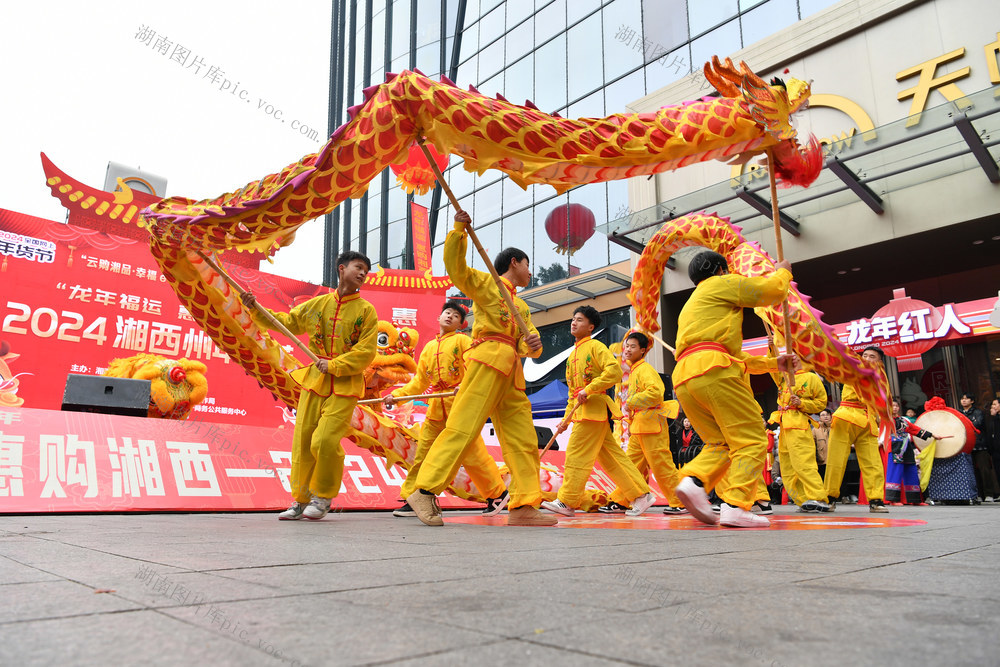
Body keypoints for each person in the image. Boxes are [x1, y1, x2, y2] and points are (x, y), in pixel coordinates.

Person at [406, 210, 554, 527]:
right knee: (464, 426)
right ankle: (424, 489)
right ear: (514, 262)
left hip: (512, 372)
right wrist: (459, 230)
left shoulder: (522, 305)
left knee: (523, 439)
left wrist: (534, 343)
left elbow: (529, 341)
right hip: (487, 358)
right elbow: (457, 270)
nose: (530, 271)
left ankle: (525, 503)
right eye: (527, 264)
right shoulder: (488, 284)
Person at [243, 251, 378, 521]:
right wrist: (254, 308)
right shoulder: (317, 304)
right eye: (359, 267)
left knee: (325, 440)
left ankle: (323, 496)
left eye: (366, 270)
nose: (363, 273)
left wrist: (336, 365)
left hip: (345, 384)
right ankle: (300, 500)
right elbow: (287, 322)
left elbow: (366, 352)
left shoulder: (366, 311)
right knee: (303, 442)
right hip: (315, 381)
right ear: (342, 268)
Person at [670, 249, 798, 528]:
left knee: (721, 443)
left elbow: (733, 356)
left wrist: (775, 363)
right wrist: (784, 272)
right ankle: (736, 504)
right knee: (752, 437)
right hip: (714, 369)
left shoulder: (693, 304)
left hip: (686, 376)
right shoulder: (721, 283)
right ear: (720, 270)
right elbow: (770, 291)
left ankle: (694, 481)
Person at [385, 300, 509, 517]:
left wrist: (464, 386)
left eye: (456, 316)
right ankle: (413, 497)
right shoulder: (429, 348)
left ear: (461, 324)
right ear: (439, 317)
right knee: (422, 455)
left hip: (460, 408)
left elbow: (473, 367)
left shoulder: (462, 340)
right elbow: (419, 383)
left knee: (474, 456)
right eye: (447, 312)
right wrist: (395, 396)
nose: (450, 316)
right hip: (435, 411)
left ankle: (497, 494)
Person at [540, 308, 653, 517]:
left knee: (576, 455)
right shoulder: (572, 355)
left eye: (579, 320)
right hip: (585, 413)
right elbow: (573, 394)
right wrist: (565, 420)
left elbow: (615, 371)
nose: (574, 323)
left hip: (593, 412)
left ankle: (567, 501)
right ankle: (641, 495)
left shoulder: (596, 346)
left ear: (591, 327)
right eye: (573, 319)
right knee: (613, 458)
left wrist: (589, 389)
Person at [617, 331, 688, 516]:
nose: (628, 350)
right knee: (629, 465)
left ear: (643, 351)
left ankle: (679, 501)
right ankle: (622, 500)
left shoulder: (645, 369)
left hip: (651, 425)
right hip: (640, 426)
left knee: (661, 465)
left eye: (633, 346)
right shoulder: (634, 371)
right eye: (626, 346)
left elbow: (656, 393)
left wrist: (631, 401)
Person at [824, 346, 889, 513]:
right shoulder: (852, 368)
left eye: (871, 356)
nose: (866, 358)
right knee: (836, 461)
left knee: (873, 463)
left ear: (879, 361)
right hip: (846, 418)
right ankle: (829, 498)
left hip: (868, 422)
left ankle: (876, 499)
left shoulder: (881, 378)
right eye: (865, 355)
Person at [770, 366, 830, 512]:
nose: (794, 359)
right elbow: (772, 367)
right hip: (784, 425)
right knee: (787, 467)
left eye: (798, 356)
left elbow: (821, 403)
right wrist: (772, 348)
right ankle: (802, 500)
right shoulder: (783, 376)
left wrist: (802, 403)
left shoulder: (811, 377)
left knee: (804, 463)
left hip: (799, 424)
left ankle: (818, 497)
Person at [886, 397, 937, 505]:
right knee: (895, 473)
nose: (895, 408)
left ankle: (915, 500)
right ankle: (892, 500)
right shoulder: (885, 419)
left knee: (912, 471)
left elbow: (914, 429)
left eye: (896, 406)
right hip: (895, 448)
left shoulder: (903, 420)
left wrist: (932, 435)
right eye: (892, 406)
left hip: (907, 447)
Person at [960, 392, 999, 502]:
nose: (964, 401)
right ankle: (977, 494)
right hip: (966, 446)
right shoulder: (959, 413)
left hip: (980, 445)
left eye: (967, 399)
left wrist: (964, 425)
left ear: (972, 401)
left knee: (984, 470)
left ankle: (989, 494)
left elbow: (976, 424)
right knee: (971, 472)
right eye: (962, 399)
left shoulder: (978, 412)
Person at [812, 408, 832, 482]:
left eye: (827, 415)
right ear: (820, 418)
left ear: (830, 416)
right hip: (822, 461)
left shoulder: (835, 428)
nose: (825, 416)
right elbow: (812, 444)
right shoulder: (815, 430)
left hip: (835, 461)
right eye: (823, 415)